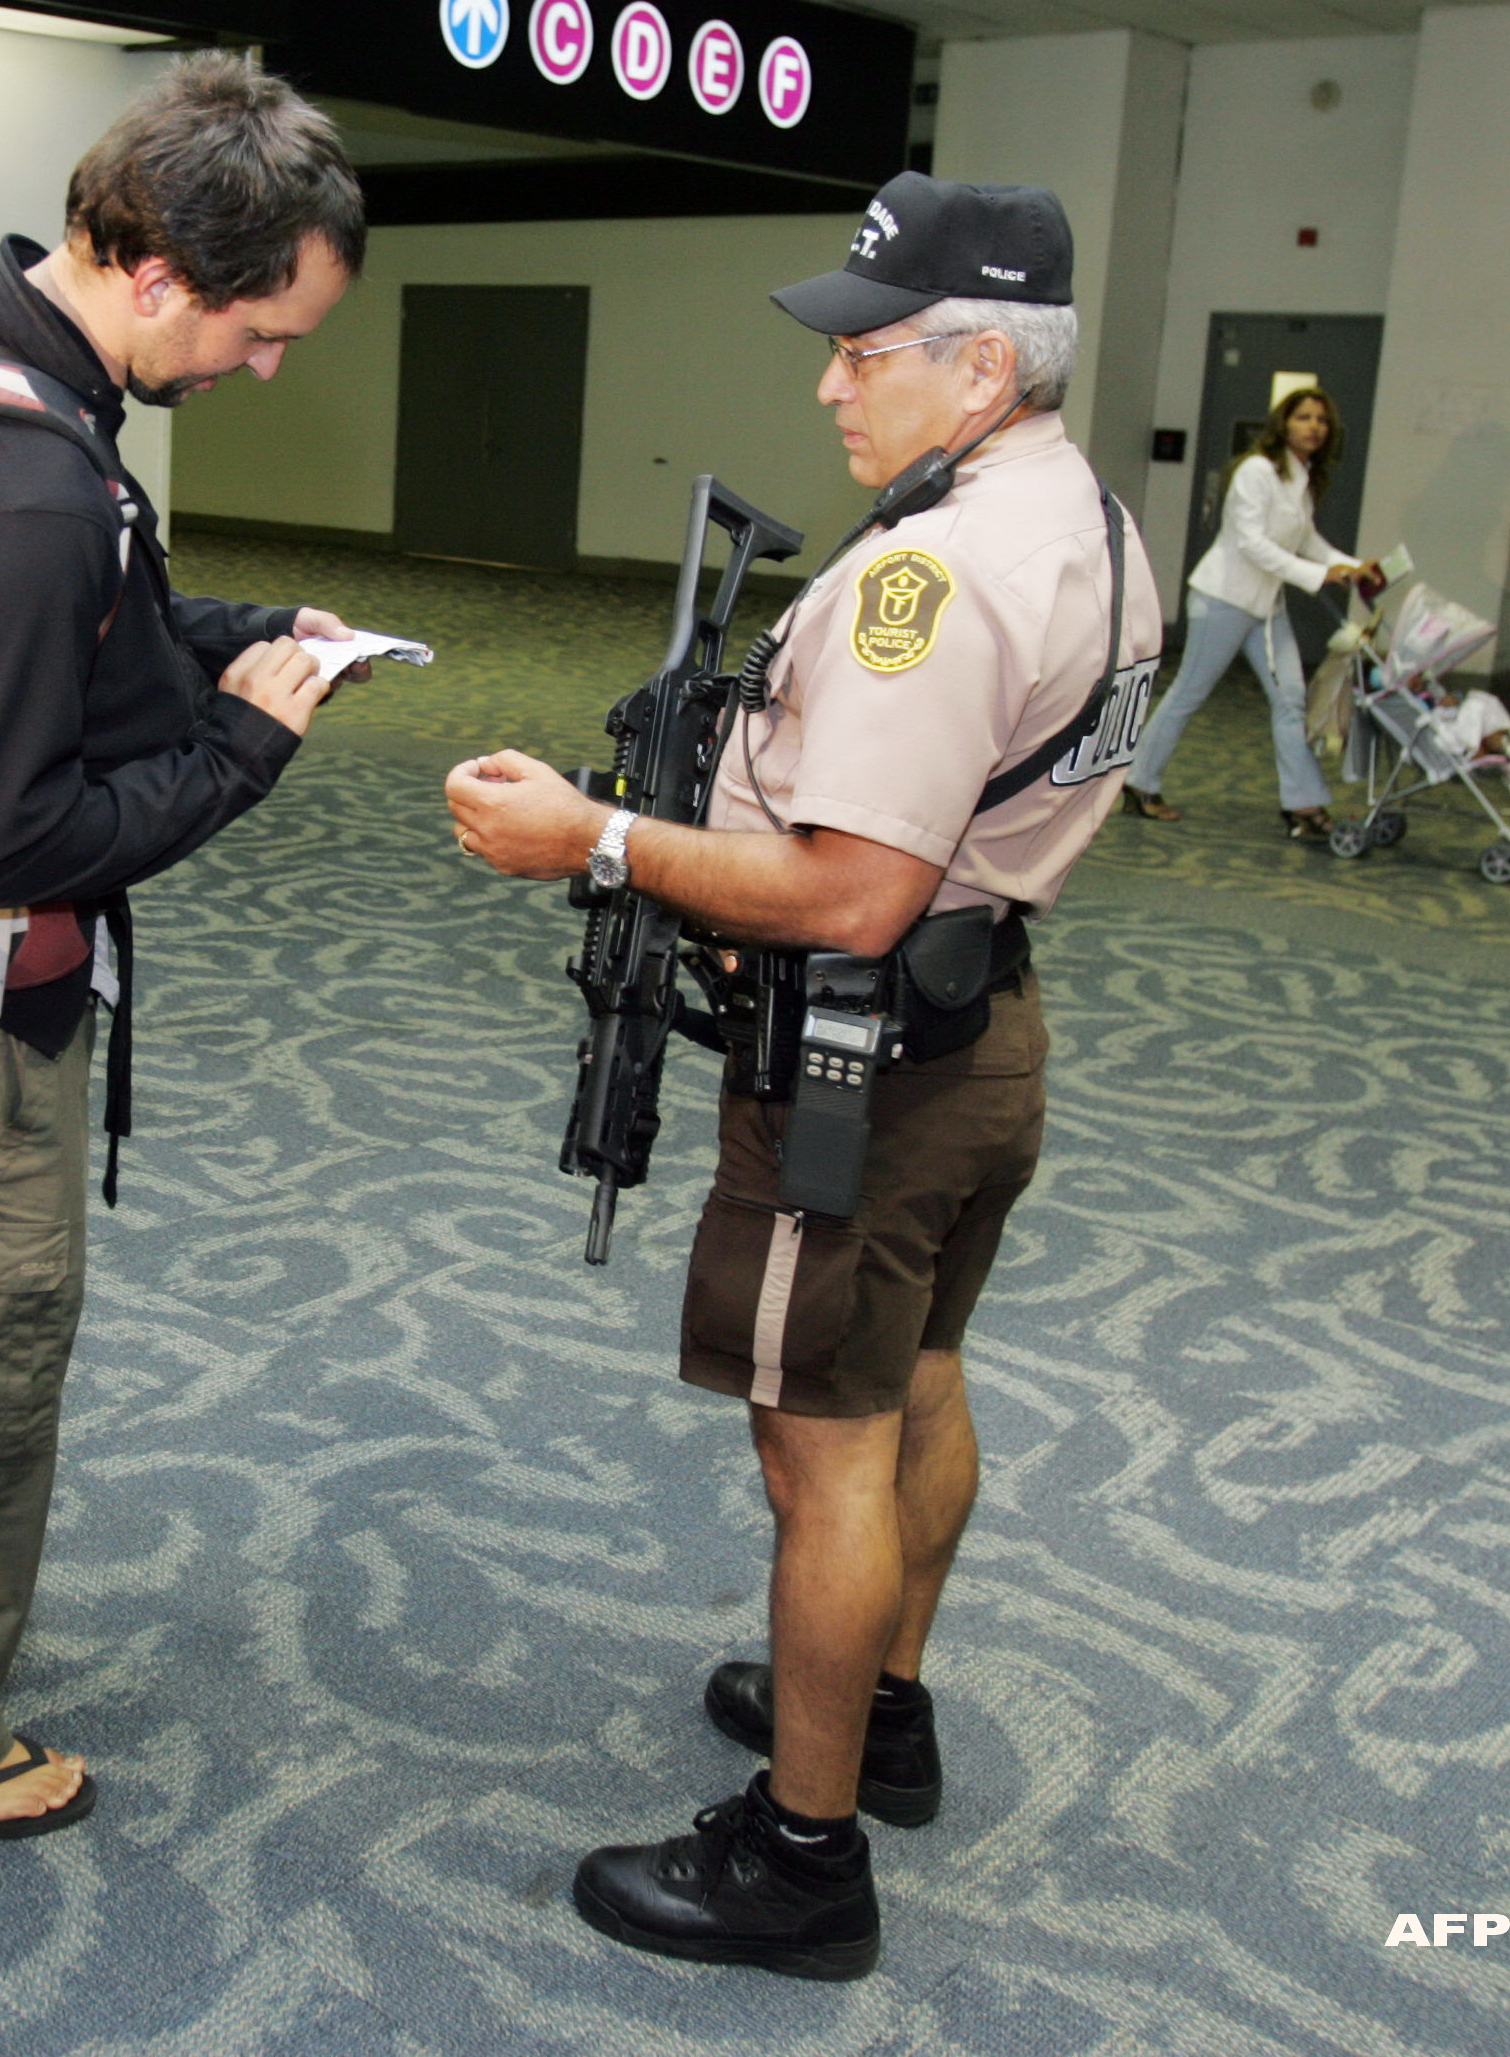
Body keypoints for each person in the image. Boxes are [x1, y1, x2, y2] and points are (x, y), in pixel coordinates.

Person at [447, 172, 1162, 1979]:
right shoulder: (1086, 514)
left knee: (820, 1451)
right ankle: (883, 1705)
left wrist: (597, 839)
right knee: (915, 1375)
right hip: (978, 1034)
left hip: (855, 1071)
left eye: (868, 351)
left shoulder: (939, 571)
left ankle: (801, 1857)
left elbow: (852, 887)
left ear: (981, 365)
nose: (832, 382)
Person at [0, 53, 366, 1840]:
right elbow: (4, 841)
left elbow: (66, 634)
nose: (266, 370)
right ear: (157, 274)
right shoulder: (19, 484)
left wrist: (237, 631)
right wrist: (241, 752)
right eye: (260, 333)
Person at [1121, 387, 1372, 837]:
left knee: (1290, 700)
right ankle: (1140, 782)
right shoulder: (1256, 471)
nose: (1314, 427)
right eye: (1303, 417)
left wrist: (1352, 567)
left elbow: (1307, 539)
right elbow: (1251, 543)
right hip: (1223, 600)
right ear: (1283, 424)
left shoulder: (1301, 476)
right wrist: (1319, 576)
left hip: (1266, 606)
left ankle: (1303, 803)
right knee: (1188, 693)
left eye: (1321, 420)